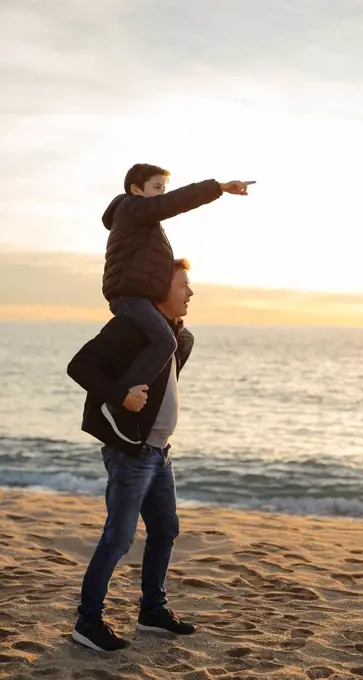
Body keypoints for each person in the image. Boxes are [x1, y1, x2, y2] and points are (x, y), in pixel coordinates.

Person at [67, 258, 196, 652]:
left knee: (165, 530)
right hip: (131, 454)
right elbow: (80, 366)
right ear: (160, 290)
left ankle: (152, 611)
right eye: (183, 286)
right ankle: (88, 621)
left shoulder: (179, 338)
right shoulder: (128, 328)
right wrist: (120, 396)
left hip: (160, 454)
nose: (190, 292)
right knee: (118, 538)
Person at [101, 163, 255, 445]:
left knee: (181, 340)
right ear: (137, 190)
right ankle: (119, 402)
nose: (162, 195)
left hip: (141, 297)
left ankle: (155, 396)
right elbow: (175, 202)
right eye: (156, 189)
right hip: (129, 297)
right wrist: (218, 188)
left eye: (163, 189)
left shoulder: (145, 223)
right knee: (164, 341)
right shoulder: (131, 208)